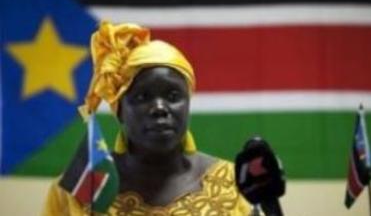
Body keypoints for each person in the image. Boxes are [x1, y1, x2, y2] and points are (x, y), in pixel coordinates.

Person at [42, 22, 253, 215]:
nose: (159, 108)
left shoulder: (235, 183)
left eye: (173, 96)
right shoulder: (80, 188)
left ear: (188, 104)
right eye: (142, 97)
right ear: (120, 110)